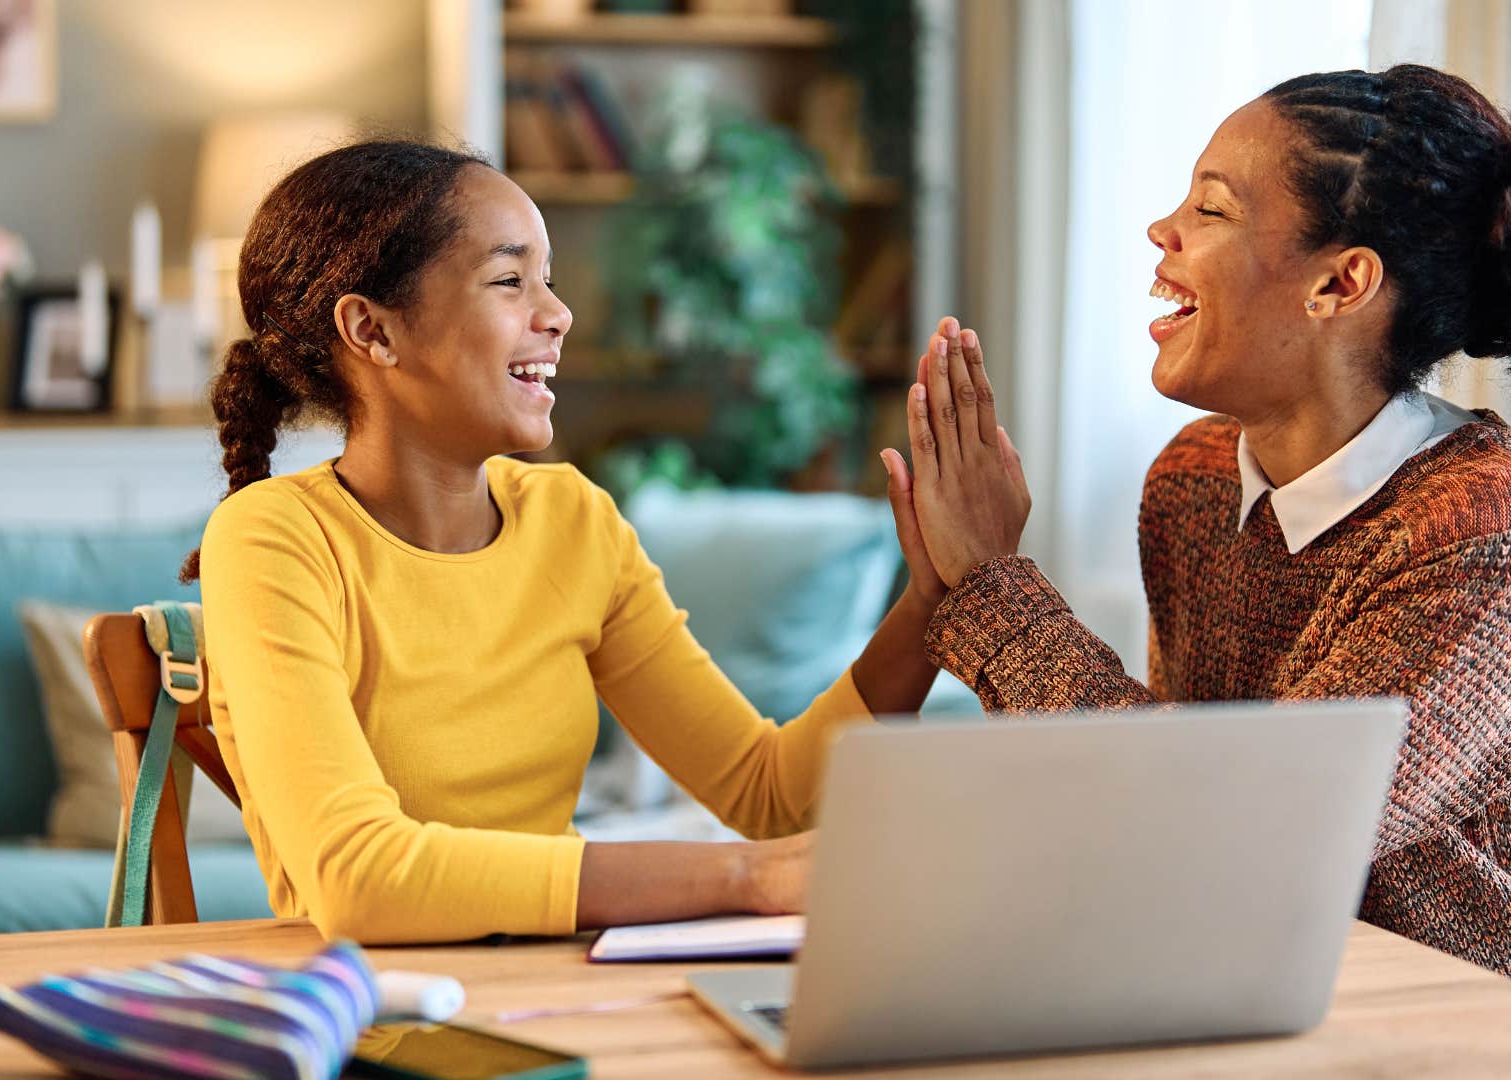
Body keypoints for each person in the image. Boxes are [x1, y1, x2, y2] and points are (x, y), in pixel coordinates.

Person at [885, 65, 1511, 1044]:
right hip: (1277, 1021)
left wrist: (991, 591)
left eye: (1212, 209)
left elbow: (1242, 843)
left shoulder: (1494, 541)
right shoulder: (1192, 482)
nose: (1163, 232)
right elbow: (1178, 816)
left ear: (1340, 282)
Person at [184, 141, 947, 944]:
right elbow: (361, 879)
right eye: (511, 280)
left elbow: (771, 794)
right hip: (378, 1018)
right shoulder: (274, 540)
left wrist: (932, 599)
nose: (558, 314)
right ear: (372, 330)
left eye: (549, 280)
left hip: (566, 984)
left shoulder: (574, 521)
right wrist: (745, 877)